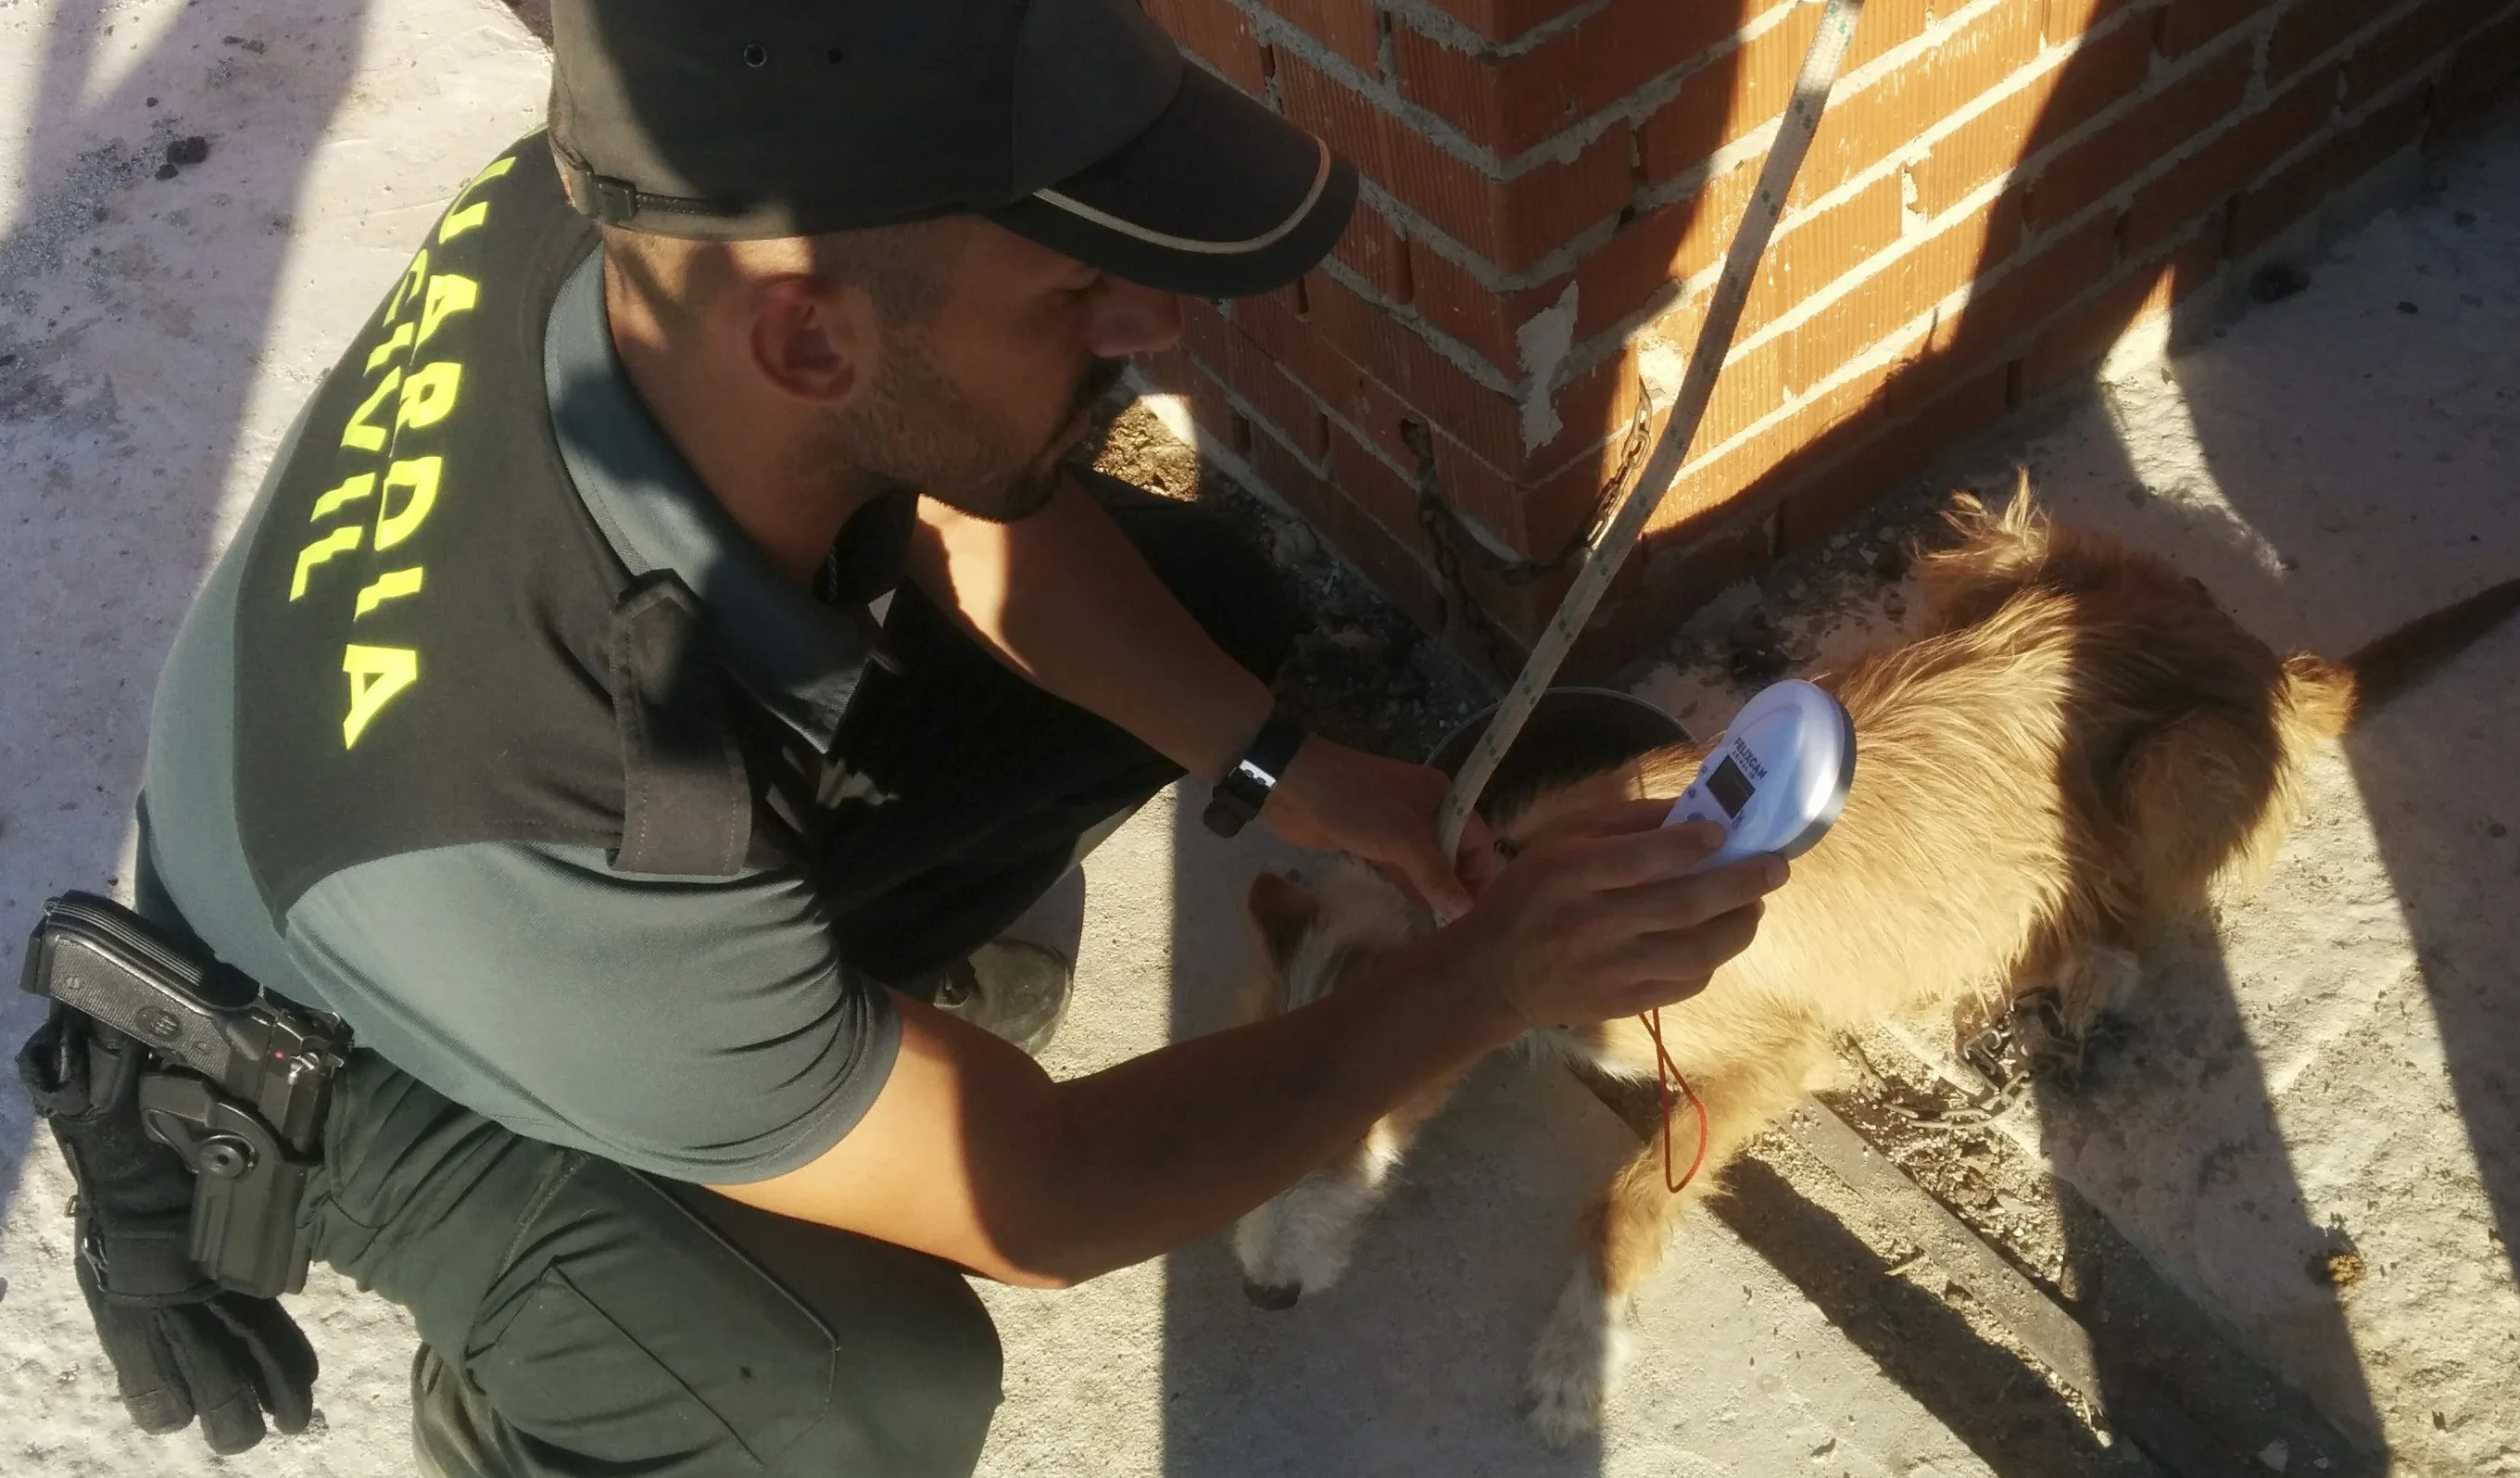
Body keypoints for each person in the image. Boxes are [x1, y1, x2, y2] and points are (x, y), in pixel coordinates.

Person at [83, 0, 1789, 1472]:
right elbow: (1037, 1196)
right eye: (1078, 294)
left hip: (436, 866)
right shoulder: (575, 825)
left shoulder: (650, 202)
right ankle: (559, 1392)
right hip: (342, 1057)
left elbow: (967, 509)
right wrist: (1483, 976)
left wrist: (1295, 770)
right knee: (844, 1390)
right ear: (808, 332)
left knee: (1202, 610)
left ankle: (784, 1049)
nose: (1156, 325)